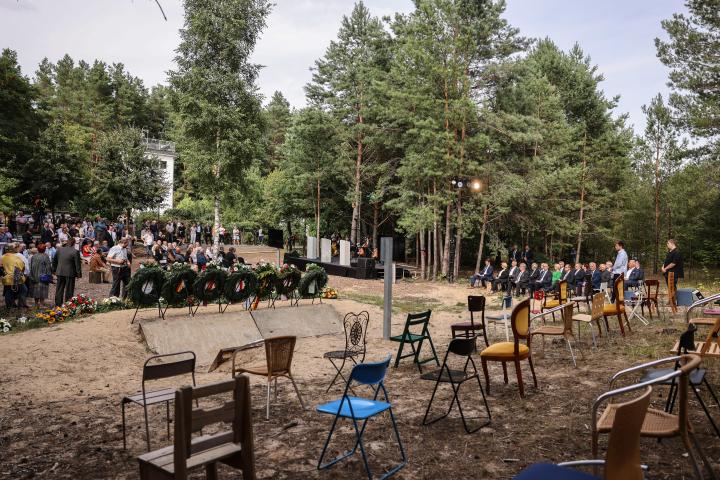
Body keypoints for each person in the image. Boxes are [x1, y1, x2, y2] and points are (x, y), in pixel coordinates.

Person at [52, 236, 81, 306]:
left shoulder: (59, 250)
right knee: (69, 289)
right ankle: (68, 304)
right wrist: (79, 274)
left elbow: (54, 261)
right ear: (74, 243)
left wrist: (54, 270)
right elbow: (77, 264)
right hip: (70, 273)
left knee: (59, 288)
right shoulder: (75, 251)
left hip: (60, 271)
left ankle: (58, 303)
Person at [2, 244, 28, 308]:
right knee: (23, 290)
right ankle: (21, 305)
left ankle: (9, 306)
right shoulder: (16, 257)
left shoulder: (2, 257)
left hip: (6, 278)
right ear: (12, 249)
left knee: (8, 291)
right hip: (16, 277)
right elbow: (22, 266)